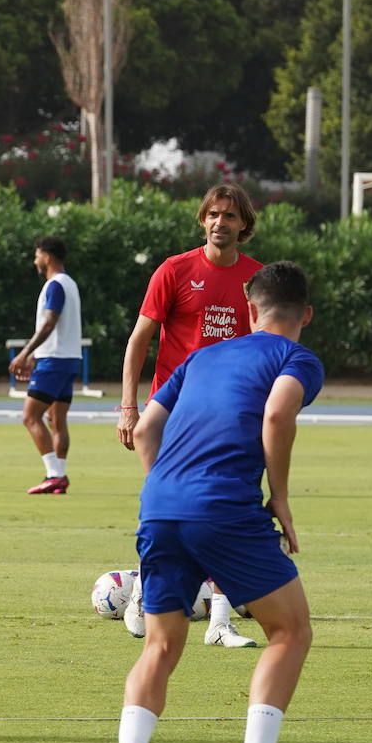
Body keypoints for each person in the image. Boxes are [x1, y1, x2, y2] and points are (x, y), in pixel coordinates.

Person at [97, 260, 330, 743]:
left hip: (158, 505)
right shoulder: (298, 358)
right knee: (290, 630)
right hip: (224, 507)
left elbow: (147, 427)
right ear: (308, 314)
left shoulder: (201, 356)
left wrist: (168, 491)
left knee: (161, 644)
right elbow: (276, 416)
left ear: (250, 310)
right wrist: (282, 498)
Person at [118, 182, 263, 648]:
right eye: (213, 214)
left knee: (226, 510)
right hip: (170, 414)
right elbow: (139, 341)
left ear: (244, 225)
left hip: (228, 416)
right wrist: (128, 407)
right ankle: (146, 588)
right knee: (164, 508)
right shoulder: (174, 270)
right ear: (203, 219)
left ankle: (220, 621)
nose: (221, 222)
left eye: (230, 216)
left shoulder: (256, 281)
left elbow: (264, 348)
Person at [8, 236, 81, 495]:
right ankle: (59, 475)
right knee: (56, 419)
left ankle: (54, 474)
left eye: (37, 255)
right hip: (70, 359)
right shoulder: (70, 283)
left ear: (47, 257)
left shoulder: (55, 285)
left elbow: (49, 323)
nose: (35, 260)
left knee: (30, 416)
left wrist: (25, 353)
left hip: (54, 360)